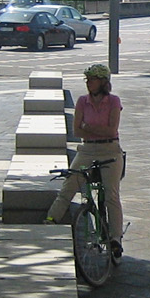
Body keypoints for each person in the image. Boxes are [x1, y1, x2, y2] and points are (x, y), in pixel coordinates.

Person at [48, 63, 125, 257]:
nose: (89, 83)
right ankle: (50, 220)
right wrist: (90, 129)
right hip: (87, 150)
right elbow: (77, 130)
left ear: (103, 82)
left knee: (111, 196)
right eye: (87, 80)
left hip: (110, 150)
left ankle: (115, 239)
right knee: (68, 186)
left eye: (93, 80)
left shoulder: (114, 101)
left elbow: (111, 130)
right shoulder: (82, 101)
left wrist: (87, 126)